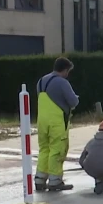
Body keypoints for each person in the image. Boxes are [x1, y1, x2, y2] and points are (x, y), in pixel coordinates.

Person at [34, 57, 79, 192]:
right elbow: (73, 102)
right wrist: (76, 98)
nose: (67, 74)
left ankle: (39, 179)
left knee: (44, 149)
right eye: (68, 71)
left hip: (42, 120)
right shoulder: (62, 82)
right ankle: (55, 181)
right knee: (57, 150)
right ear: (64, 70)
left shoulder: (41, 81)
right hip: (56, 121)